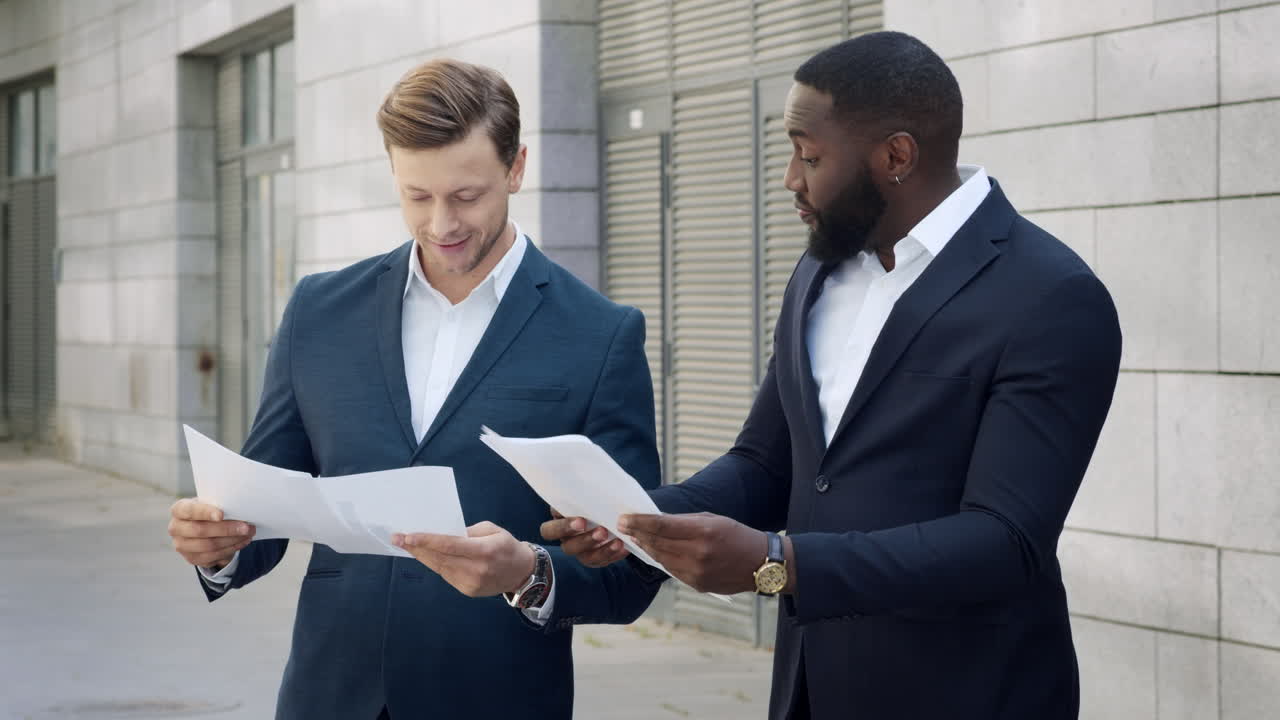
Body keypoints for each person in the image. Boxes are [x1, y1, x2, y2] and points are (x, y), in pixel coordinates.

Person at [547, 31, 1122, 719]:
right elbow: (767, 464)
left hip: (969, 693)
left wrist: (779, 562)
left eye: (809, 155)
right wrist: (638, 519)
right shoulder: (819, 269)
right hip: (809, 690)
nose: (791, 178)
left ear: (896, 156)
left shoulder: (1051, 297)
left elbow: (1004, 541)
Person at [166, 58, 660, 720]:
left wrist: (529, 572)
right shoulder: (319, 311)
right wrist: (220, 544)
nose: (440, 226)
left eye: (466, 196)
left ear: (516, 168)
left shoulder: (601, 335)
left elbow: (633, 567)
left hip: (496, 696)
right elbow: (267, 502)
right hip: (328, 694)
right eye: (416, 196)